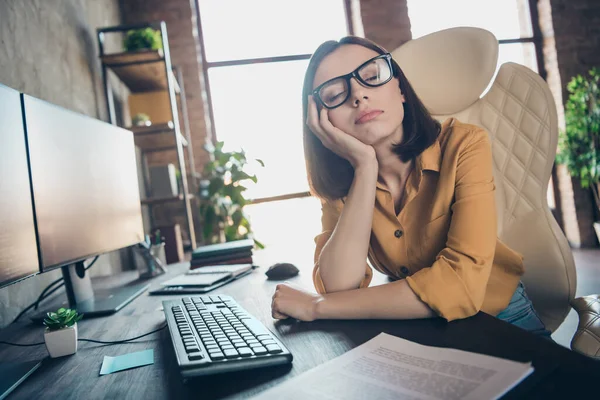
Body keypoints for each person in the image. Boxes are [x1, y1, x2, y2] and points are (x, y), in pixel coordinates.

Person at [270, 36, 551, 337]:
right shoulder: (342, 185)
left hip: (501, 319)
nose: (359, 96)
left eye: (372, 77)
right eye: (336, 94)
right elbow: (337, 286)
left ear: (400, 88)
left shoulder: (465, 144)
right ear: (321, 122)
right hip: (419, 328)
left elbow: (461, 288)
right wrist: (365, 167)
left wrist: (316, 307)